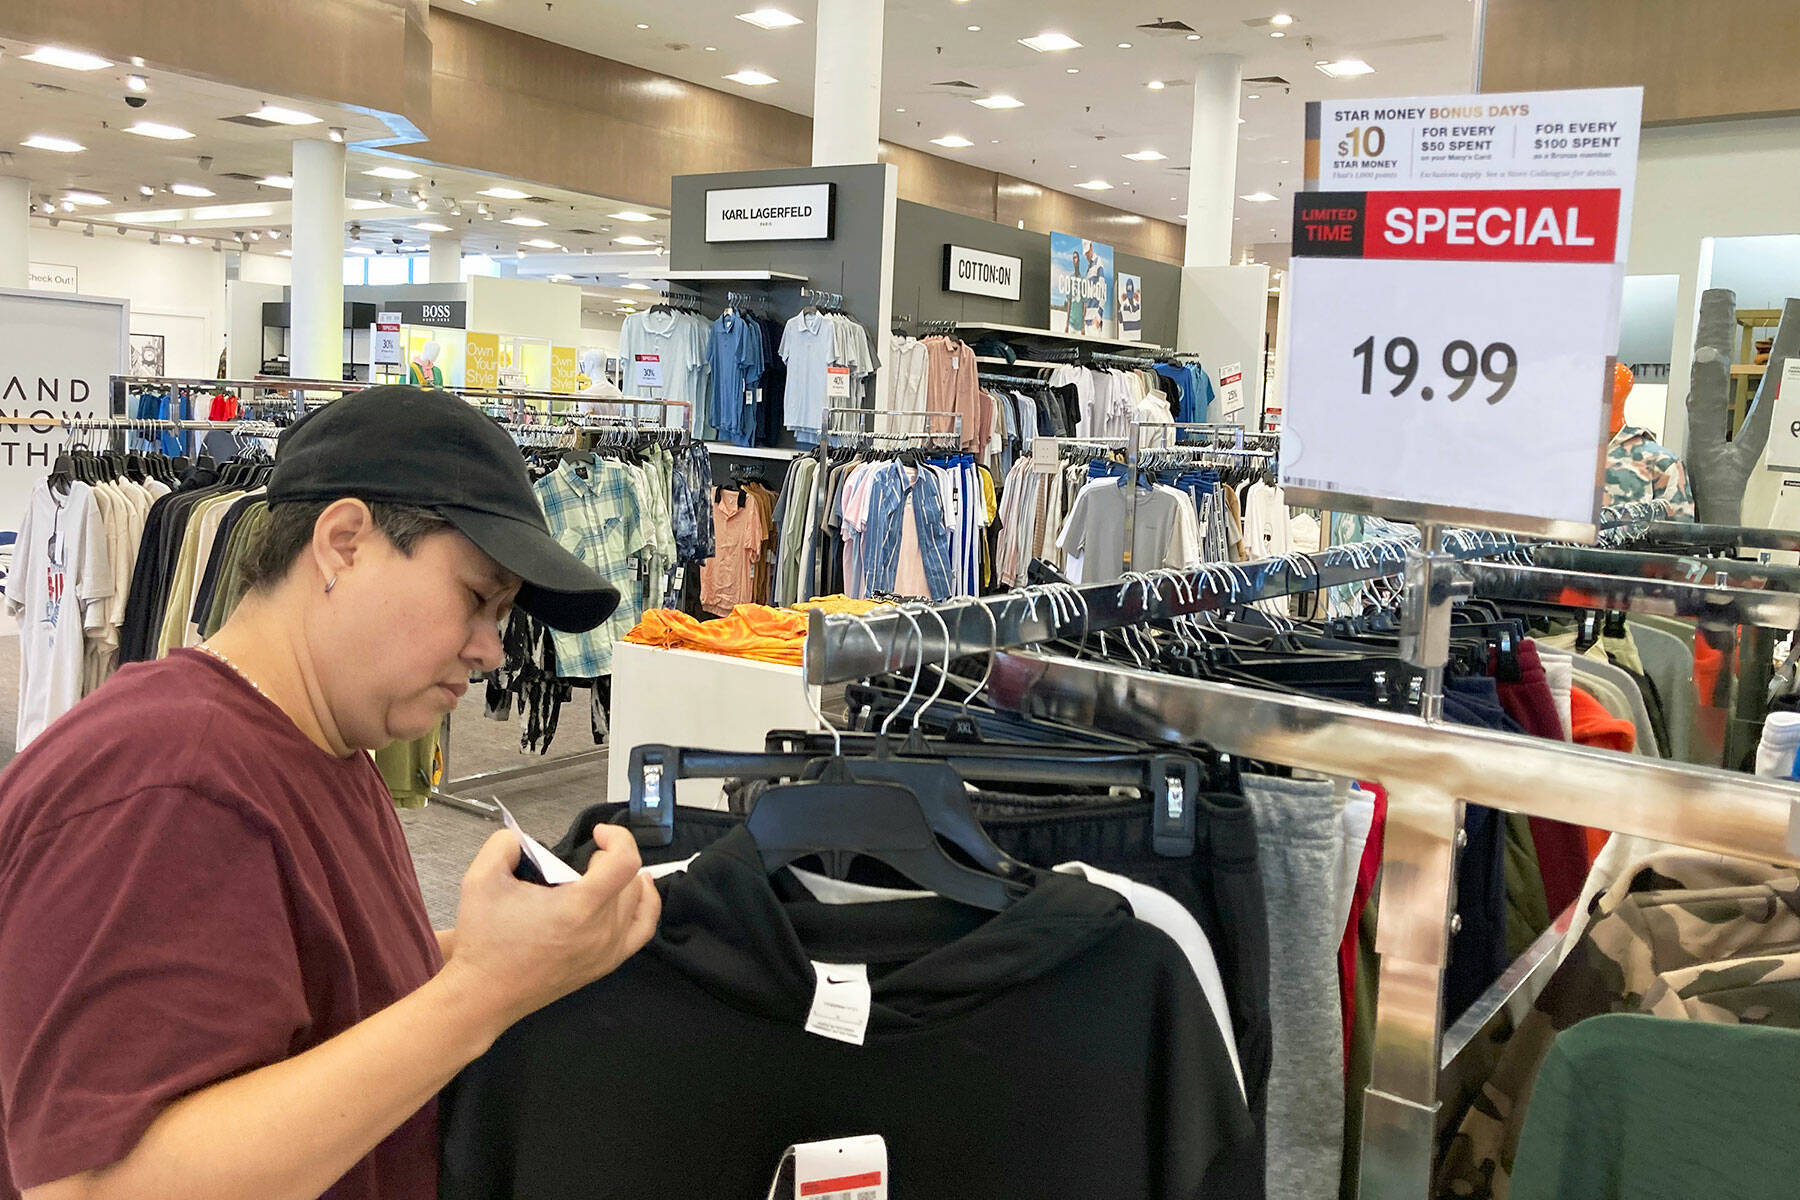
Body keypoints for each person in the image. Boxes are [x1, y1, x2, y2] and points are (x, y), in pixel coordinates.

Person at [0, 385, 661, 1200]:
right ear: (343, 544)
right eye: (475, 598)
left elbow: (316, 989)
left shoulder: (320, 743)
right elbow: (98, 1186)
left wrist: (503, 955)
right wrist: (479, 994)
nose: (492, 650)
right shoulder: (168, 784)